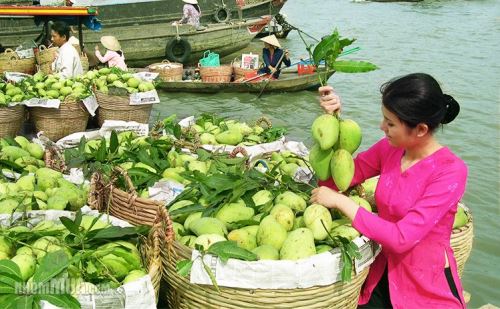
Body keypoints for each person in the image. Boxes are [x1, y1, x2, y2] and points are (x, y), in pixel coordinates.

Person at [310, 73, 467, 308]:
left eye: (390, 123)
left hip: (424, 284)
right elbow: (335, 183)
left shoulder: (450, 171)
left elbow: (402, 238)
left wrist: (342, 203)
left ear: (421, 129)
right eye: (384, 118)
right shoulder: (389, 149)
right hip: (381, 271)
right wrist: (333, 123)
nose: (381, 127)